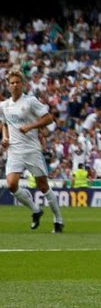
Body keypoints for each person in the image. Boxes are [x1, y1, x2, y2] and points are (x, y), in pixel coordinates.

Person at [0, 69, 65, 233]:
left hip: (31, 149)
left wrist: (30, 126)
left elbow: (49, 118)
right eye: (12, 83)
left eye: (17, 82)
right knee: (12, 184)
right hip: (15, 150)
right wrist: (5, 138)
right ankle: (36, 210)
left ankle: (58, 219)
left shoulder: (30, 101)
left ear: (23, 84)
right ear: (8, 86)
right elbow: (4, 123)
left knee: (43, 186)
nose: (15, 85)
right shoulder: (4, 106)